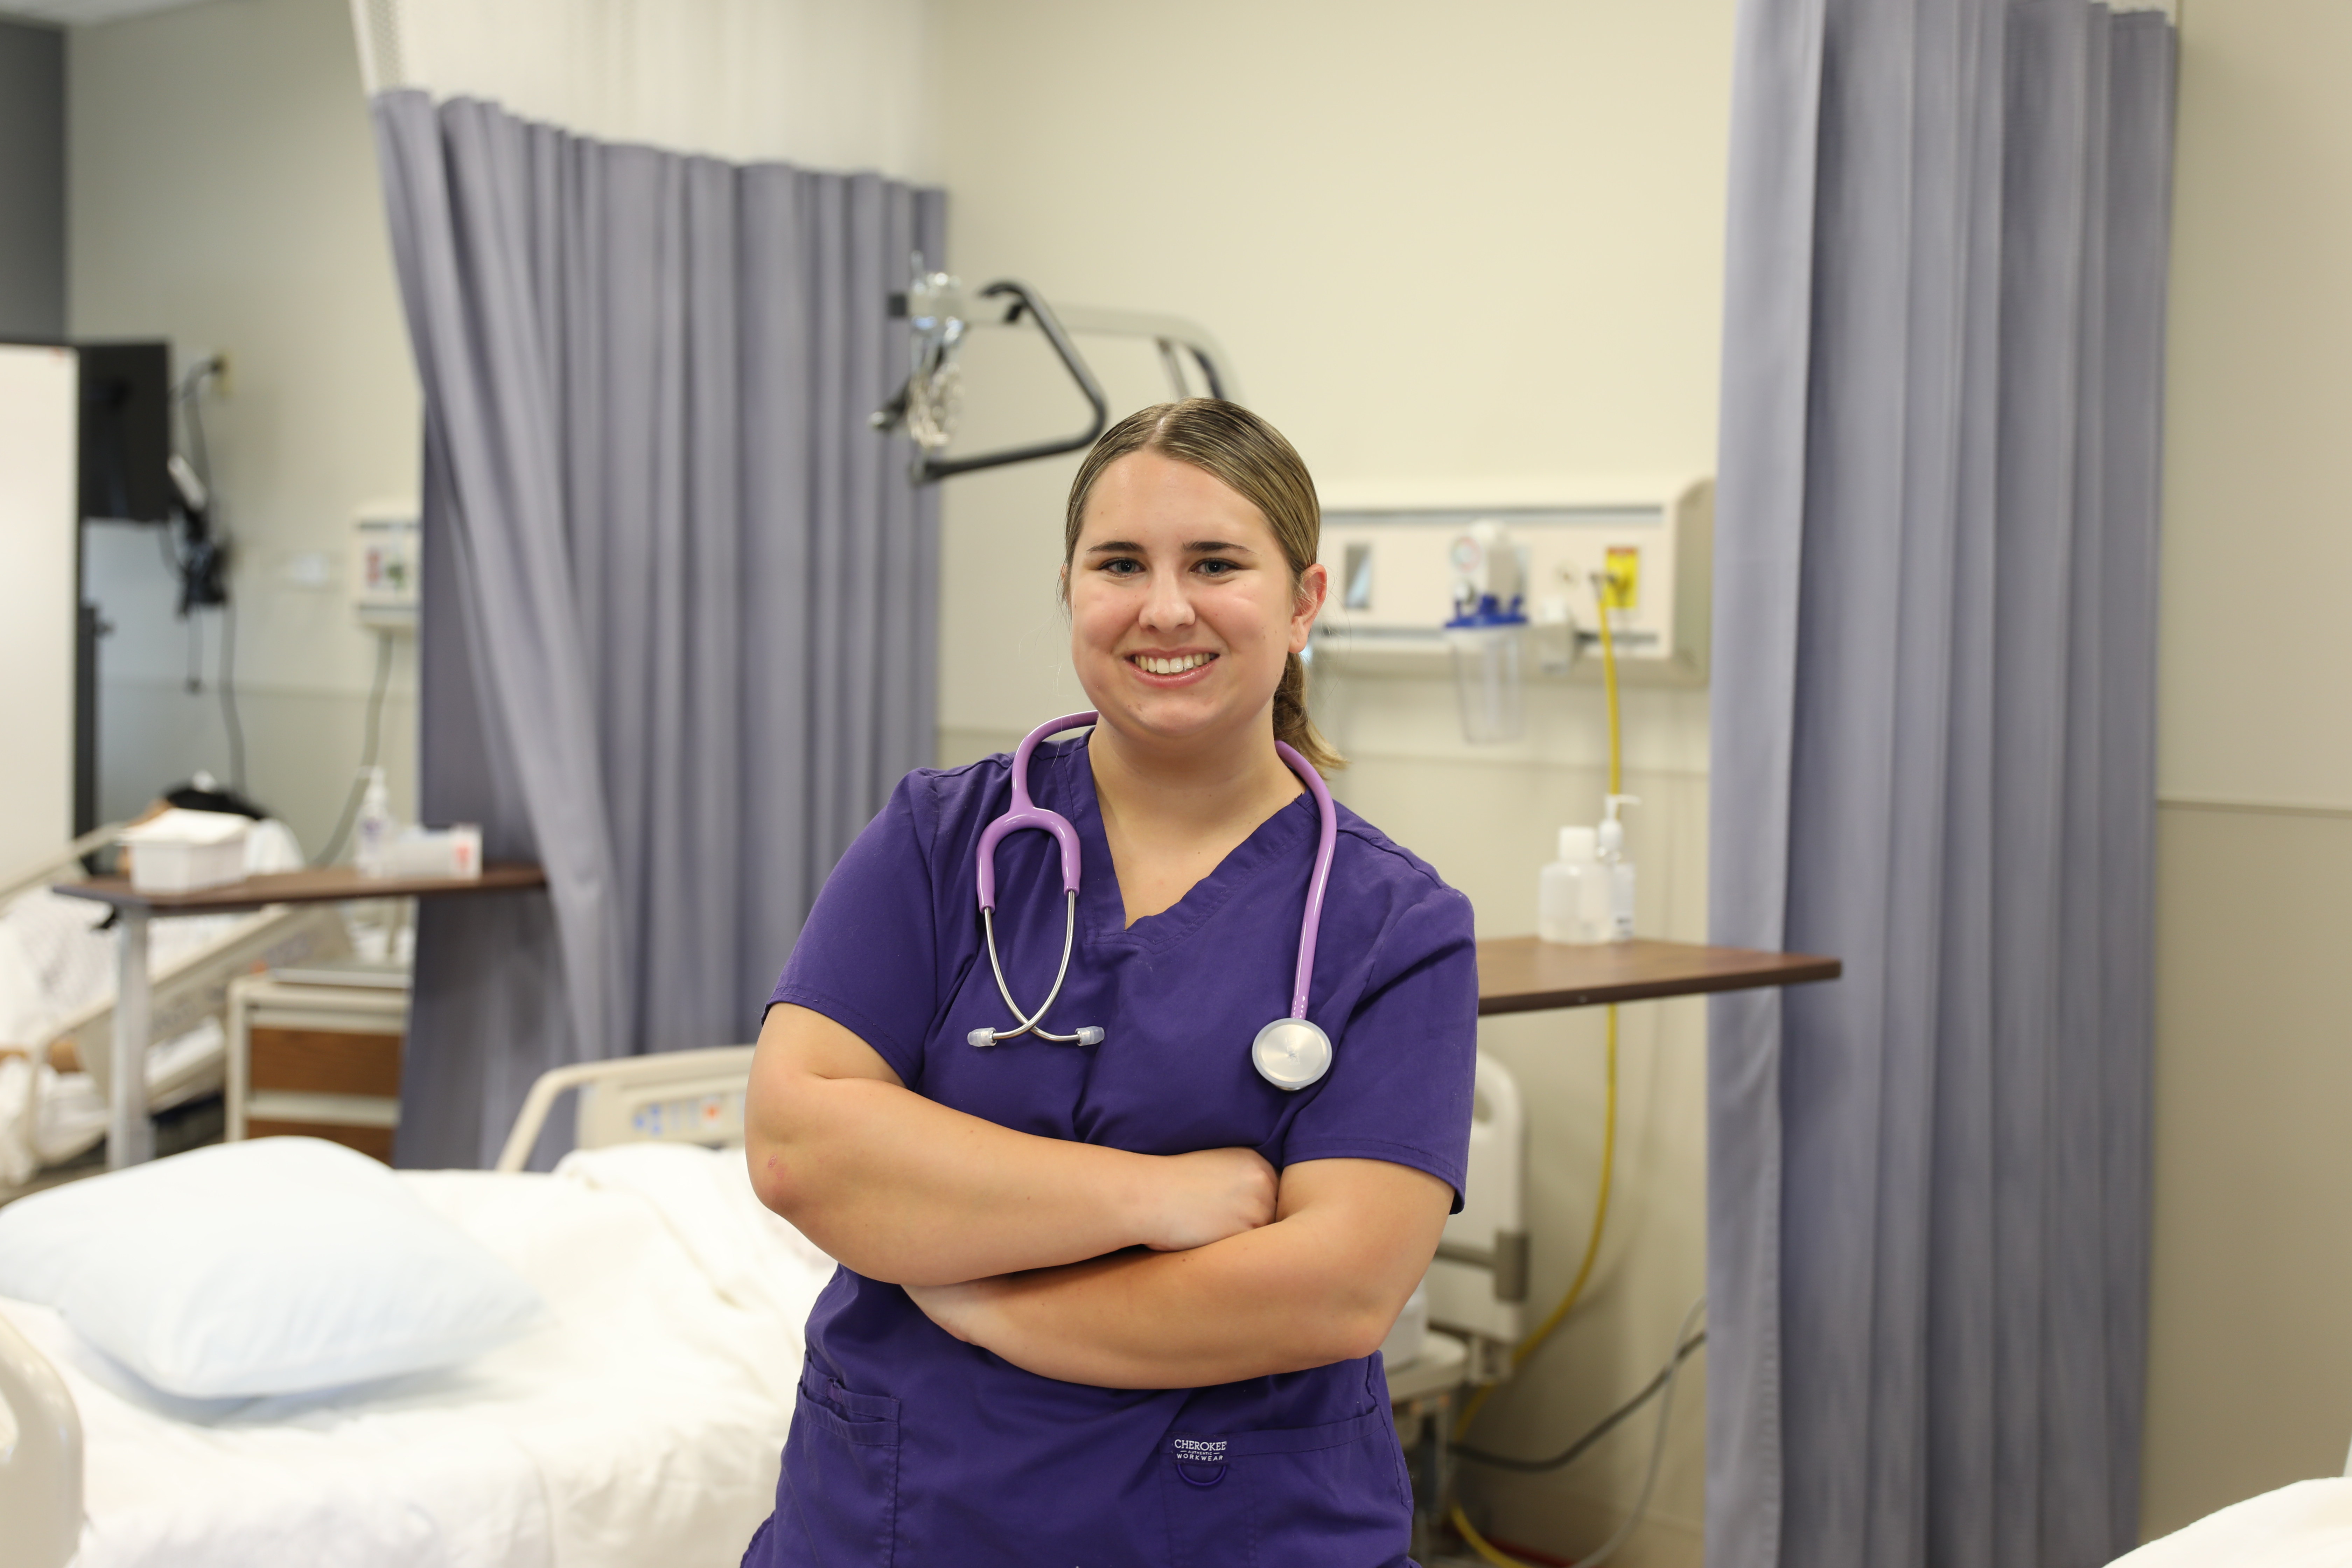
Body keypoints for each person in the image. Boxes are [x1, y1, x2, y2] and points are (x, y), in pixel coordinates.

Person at [741, 399, 1478, 1567]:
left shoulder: (1395, 925)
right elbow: (801, 1148)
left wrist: (989, 1305)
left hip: (1232, 1527)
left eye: (1217, 563)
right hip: (906, 1516)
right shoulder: (941, 841)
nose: (1166, 607)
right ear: (1074, 591)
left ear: (1302, 603)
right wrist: (1157, 1198)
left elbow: (1330, 1291)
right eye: (1121, 563)